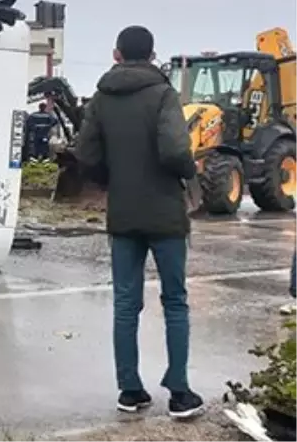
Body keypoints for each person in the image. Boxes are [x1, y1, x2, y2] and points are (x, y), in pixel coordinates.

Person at [75, 25, 204, 419]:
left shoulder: (101, 98)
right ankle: (179, 392)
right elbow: (175, 149)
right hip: (165, 214)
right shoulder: (164, 94)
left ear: (117, 54)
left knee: (126, 304)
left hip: (124, 213)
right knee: (175, 302)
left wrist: (114, 181)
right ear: (152, 55)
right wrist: (188, 173)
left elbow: (86, 153)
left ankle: (130, 390)